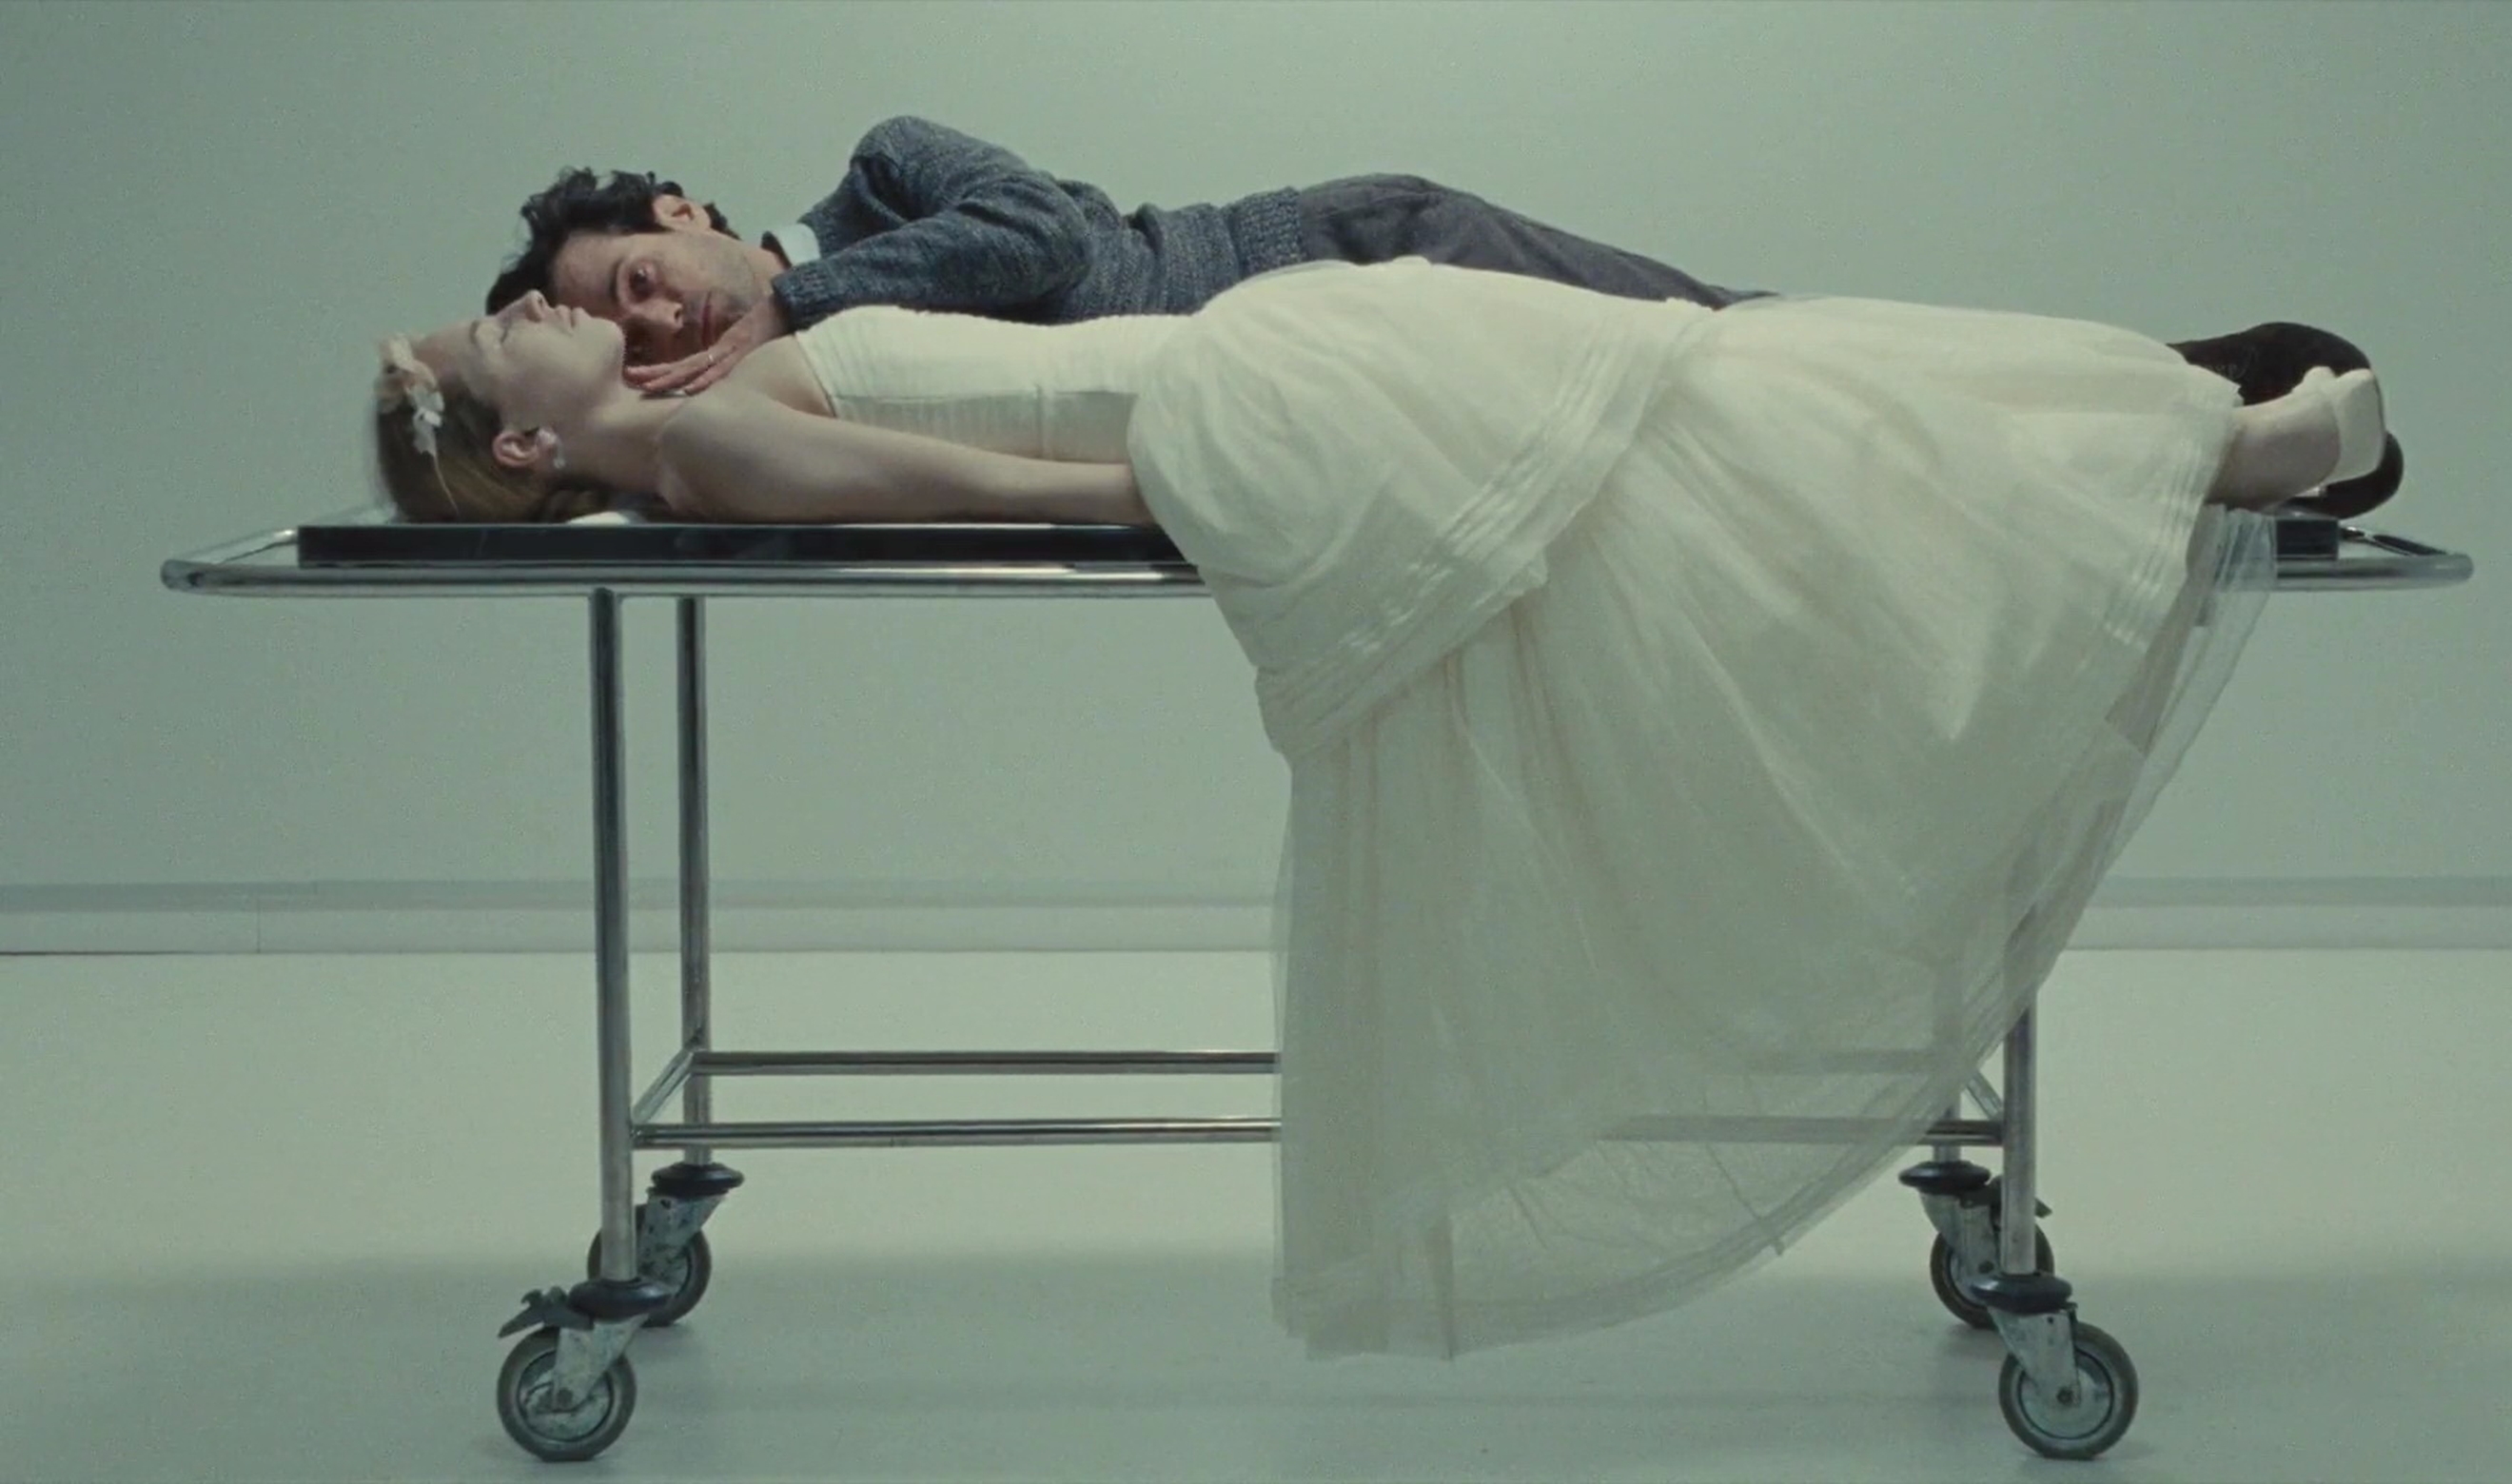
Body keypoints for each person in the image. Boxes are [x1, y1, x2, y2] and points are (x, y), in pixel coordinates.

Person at [375, 262, 2382, 1357]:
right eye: (512, 329)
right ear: (530, 440)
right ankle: (2186, 446)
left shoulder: (714, 406)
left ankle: (2174, 434)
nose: (542, 303)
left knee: (1722, 398)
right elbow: (1023, 492)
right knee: (1717, 407)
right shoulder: (713, 443)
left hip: (1259, 382)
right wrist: (1283, 504)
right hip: (1252, 410)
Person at [479, 115, 2400, 515]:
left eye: (637, 276)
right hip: (1311, 371)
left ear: (685, 213)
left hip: (1351, 258)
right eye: (620, 327)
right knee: (1740, 397)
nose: (652, 317)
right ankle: (2167, 405)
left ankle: (2175, 384)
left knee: (1744, 345)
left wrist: (795, 296)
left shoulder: (884, 174)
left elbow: (1040, 238)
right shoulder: (738, 388)